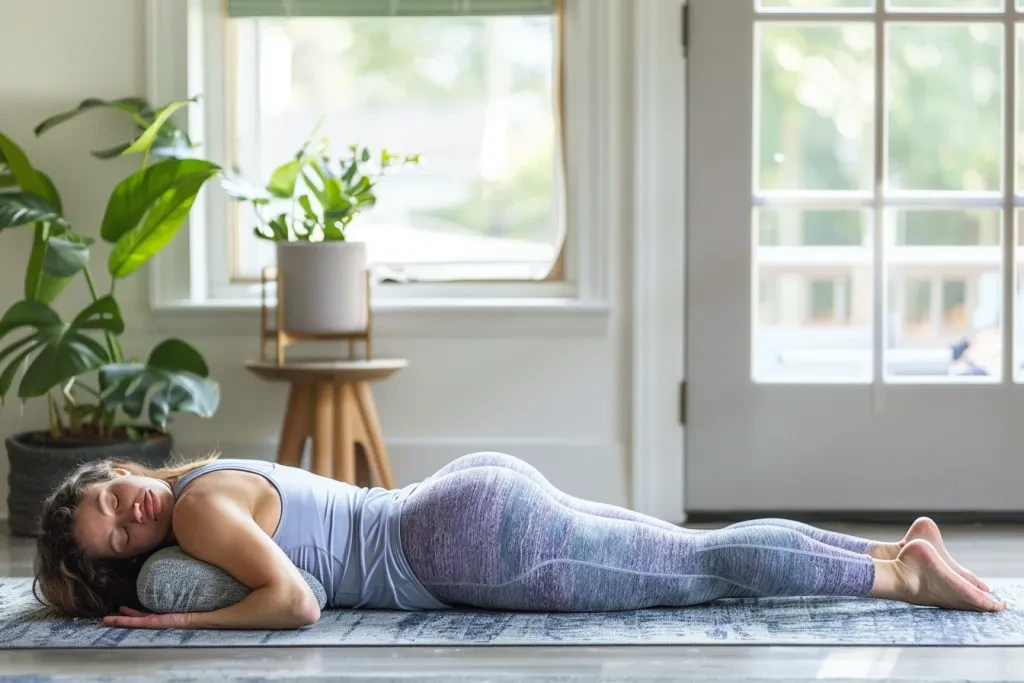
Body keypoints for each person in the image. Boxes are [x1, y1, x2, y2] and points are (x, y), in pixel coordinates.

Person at [34, 452, 1006, 630]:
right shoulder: (208, 477)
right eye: (113, 529)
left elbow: (294, 600)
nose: (129, 514)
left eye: (114, 494)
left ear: (124, 468)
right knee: (690, 546)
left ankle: (899, 577)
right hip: (459, 496)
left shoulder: (197, 510)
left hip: (457, 544)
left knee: (698, 571)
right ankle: (888, 551)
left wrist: (192, 629)